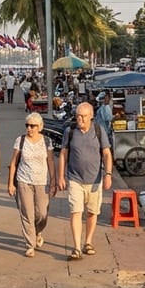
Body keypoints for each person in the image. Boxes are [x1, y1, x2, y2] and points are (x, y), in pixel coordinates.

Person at [57, 102, 113, 260]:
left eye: (83, 116)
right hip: (75, 179)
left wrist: (108, 174)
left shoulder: (98, 130)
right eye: (78, 116)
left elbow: (107, 154)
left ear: (91, 117)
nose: (80, 119)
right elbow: (63, 155)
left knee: (92, 212)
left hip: (95, 180)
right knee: (76, 211)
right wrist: (61, 176)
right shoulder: (70, 131)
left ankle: (88, 242)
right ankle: (76, 247)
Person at [7, 113, 57, 257]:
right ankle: (30, 244)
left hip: (42, 182)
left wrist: (53, 182)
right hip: (24, 181)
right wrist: (11, 183)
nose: (29, 128)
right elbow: (13, 162)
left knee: (42, 213)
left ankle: (38, 231)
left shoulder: (47, 141)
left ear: (40, 127)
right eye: (27, 125)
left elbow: (51, 162)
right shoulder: (20, 141)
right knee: (27, 213)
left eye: (33, 126)